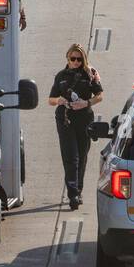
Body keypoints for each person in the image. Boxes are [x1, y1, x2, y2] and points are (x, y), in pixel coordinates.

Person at [48, 43, 103, 210]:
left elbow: (100, 95)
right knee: (71, 157)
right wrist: (60, 100)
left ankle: (78, 189)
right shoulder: (61, 76)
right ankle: (73, 194)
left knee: (82, 154)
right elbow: (51, 99)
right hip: (65, 118)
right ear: (68, 58)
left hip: (84, 118)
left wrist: (86, 102)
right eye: (73, 59)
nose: (76, 62)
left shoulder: (90, 74)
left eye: (79, 59)